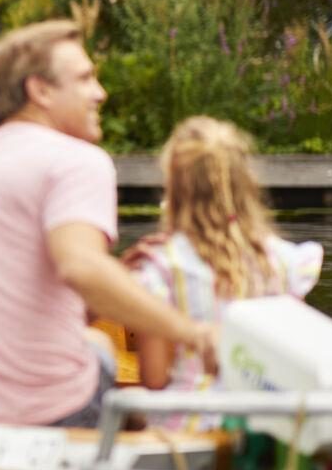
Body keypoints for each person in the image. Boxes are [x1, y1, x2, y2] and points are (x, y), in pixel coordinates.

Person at [0, 19, 216, 427]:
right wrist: (194, 334)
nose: (100, 93)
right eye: (84, 79)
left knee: (97, 342)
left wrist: (113, 277)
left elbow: (25, 300)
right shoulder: (76, 160)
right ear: (40, 90)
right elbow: (80, 266)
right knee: (106, 362)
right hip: (34, 418)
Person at [127, 116, 322, 430]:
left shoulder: (161, 267)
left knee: (129, 405)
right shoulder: (286, 260)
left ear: (174, 188)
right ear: (245, 183)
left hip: (189, 428)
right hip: (264, 426)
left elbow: (155, 379)